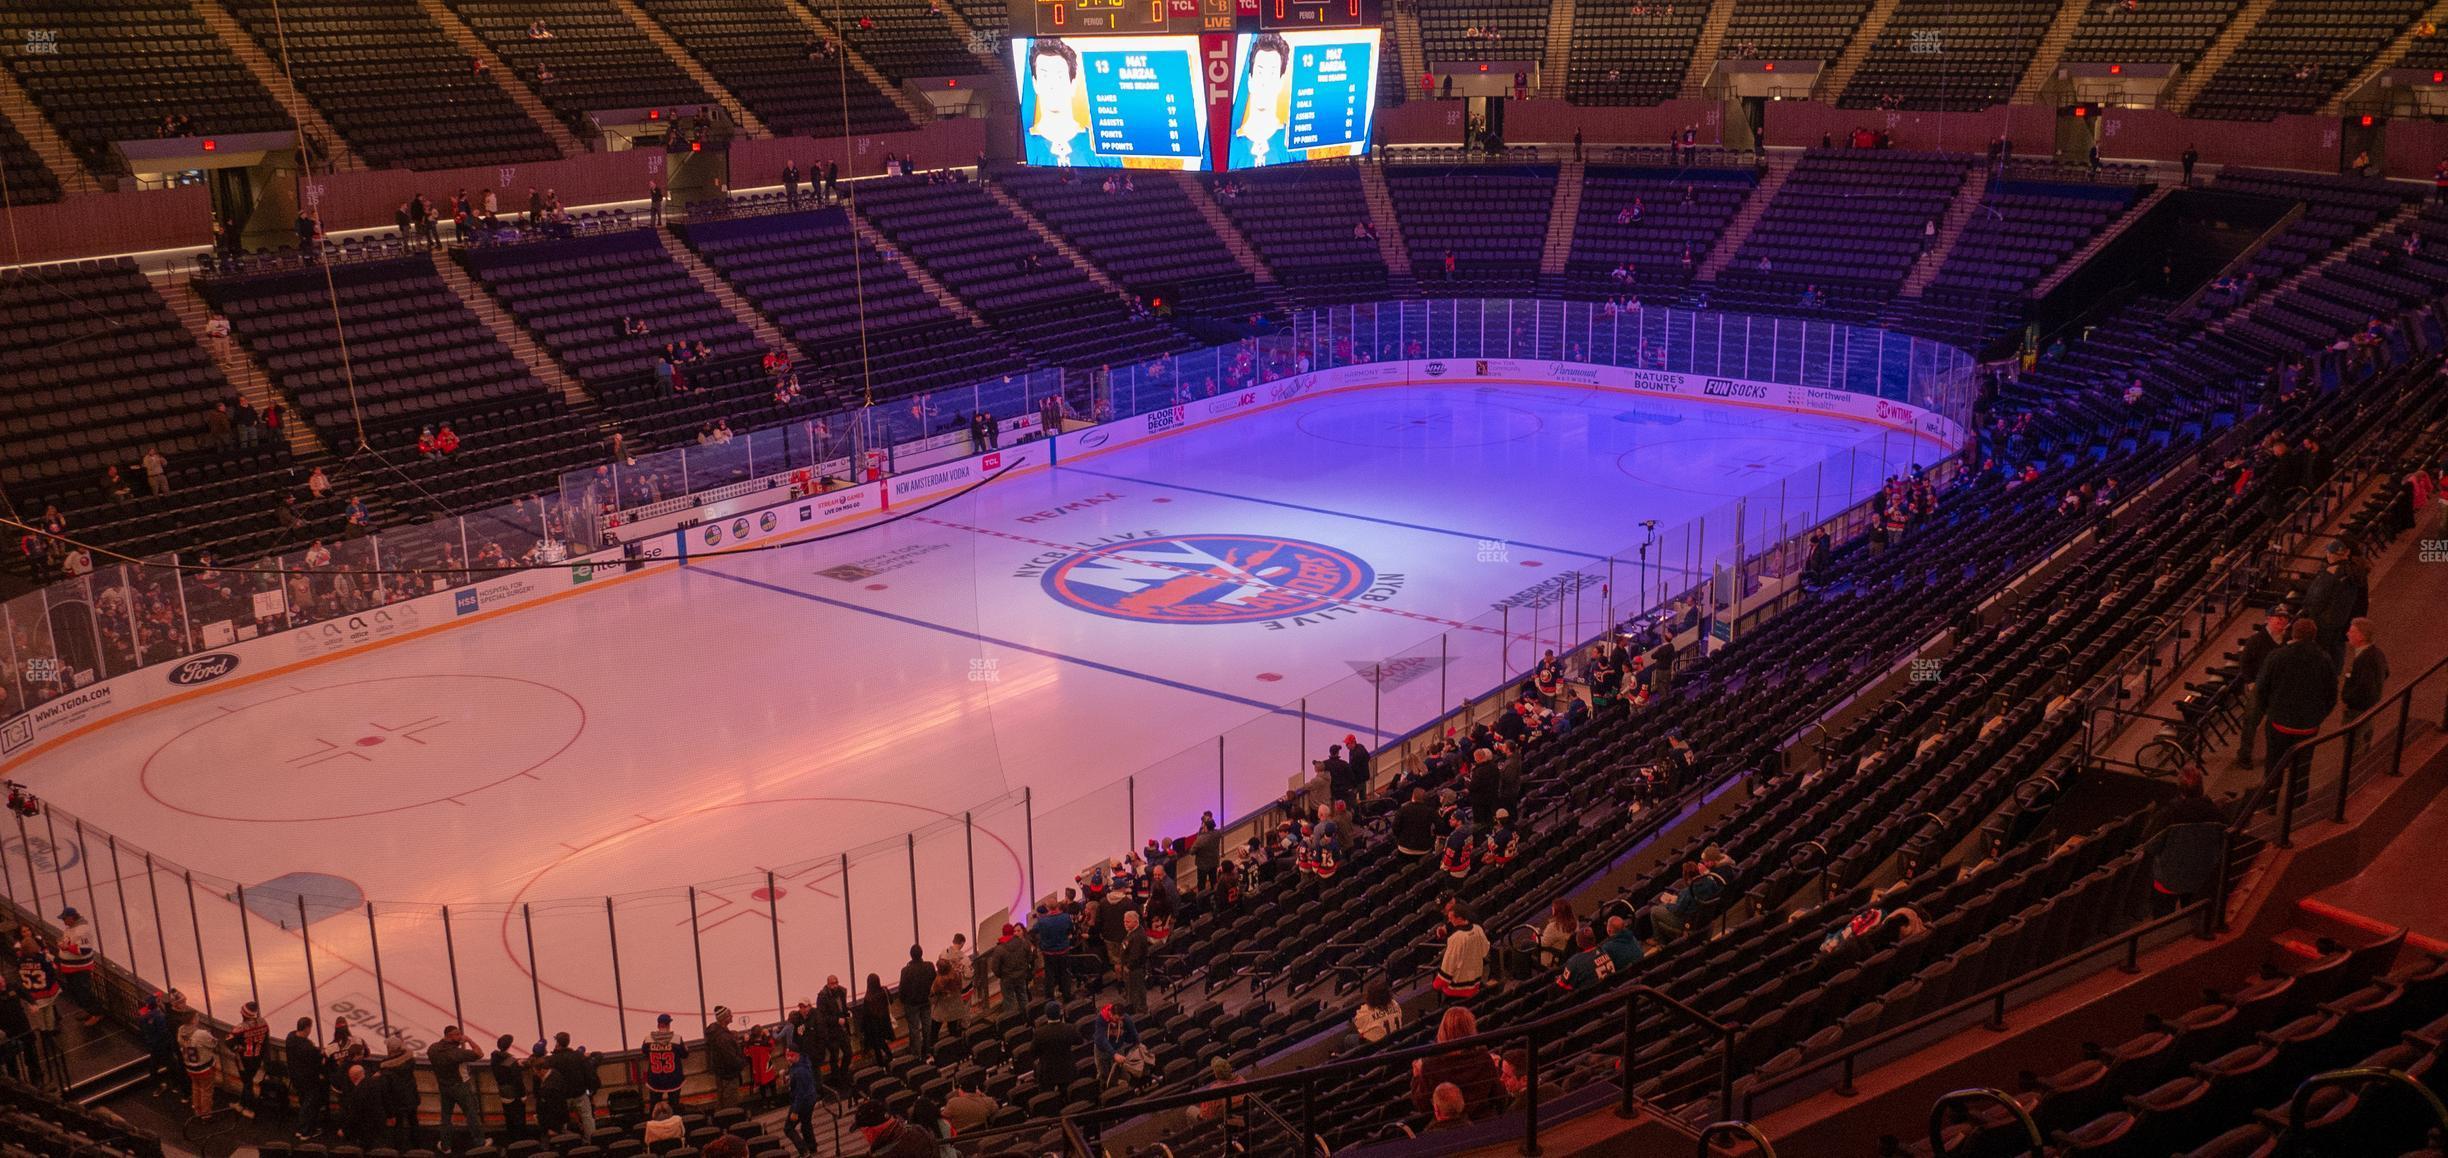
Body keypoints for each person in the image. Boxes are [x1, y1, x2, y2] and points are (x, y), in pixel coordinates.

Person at [2257, 618, 2336, 811]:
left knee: (2274, 766)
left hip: (2279, 723)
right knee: (2301, 769)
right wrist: (2318, 717)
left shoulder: (2277, 656)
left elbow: (2261, 688)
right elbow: (2331, 694)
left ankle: (2269, 806)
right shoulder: (2324, 659)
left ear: (2293, 634)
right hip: (2308, 727)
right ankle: (2297, 809)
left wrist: (2270, 710)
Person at [1409, 1007, 1499, 1117]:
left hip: (1449, 1127)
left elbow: (1422, 1106)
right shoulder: (1483, 1058)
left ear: (1443, 1030)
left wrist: (1417, 1077)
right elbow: (1498, 1096)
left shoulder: (1431, 1066)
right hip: (1482, 1122)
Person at [2233, 608, 2290, 770]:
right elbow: (2244, 663)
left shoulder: (2287, 641)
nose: (2281, 621)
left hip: (2277, 690)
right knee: (2251, 722)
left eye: (2284, 618)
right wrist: (2250, 682)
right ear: (2268, 619)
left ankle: (2274, 756)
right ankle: (2244, 755)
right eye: (2277, 618)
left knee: (2276, 725)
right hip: (2259, 688)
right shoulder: (2256, 640)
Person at [428, 1024, 485, 1149]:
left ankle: (445, 1145)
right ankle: (480, 1143)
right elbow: (480, 1053)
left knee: (446, 1117)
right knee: (471, 1114)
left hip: (444, 1086)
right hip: (460, 1086)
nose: (461, 1036)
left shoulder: (432, 1049)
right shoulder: (456, 1053)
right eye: (458, 1034)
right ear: (450, 1036)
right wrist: (469, 1040)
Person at [1432, 901, 1490, 1005]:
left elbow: (1449, 965)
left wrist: (1437, 983)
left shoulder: (1456, 938)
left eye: (1451, 918)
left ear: (1459, 918)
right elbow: (1485, 951)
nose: (1450, 921)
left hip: (1458, 991)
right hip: (1475, 984)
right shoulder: (1478, 929)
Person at [287, 1018, 329, 1139]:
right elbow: (317, 1062)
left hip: (295, 1076)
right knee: (310, 1104)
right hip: (308, 1079)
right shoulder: (307, 1047)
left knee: (304, 1101)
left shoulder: (290, 1036)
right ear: (306, 1028)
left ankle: (303, 1128)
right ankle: (306, 1131)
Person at [2341, 617, 2388, 722]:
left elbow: (2364, 686)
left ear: (2361, 636)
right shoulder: (2377, 653)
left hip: (2357, 711)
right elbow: (2386, 672)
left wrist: (2348, 698)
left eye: (2352, 631)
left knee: (2354, 737)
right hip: (2369, 709)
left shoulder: (2364, 660)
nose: (2347, 634)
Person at [1091, 1003, 1144, 1089]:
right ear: (1111, 1014)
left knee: (1122, 1073)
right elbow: (1101, 1039)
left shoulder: (1125, 1018)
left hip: (1118, 1048)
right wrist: (1114, 1054)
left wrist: (1138, 1044)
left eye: (1120, 1019)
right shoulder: (1101, 1019)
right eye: (1116, 1019)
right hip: (1102, 1051)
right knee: (1104, 1076)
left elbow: (1133, 1032)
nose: (1118, 1021)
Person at [1346, 974, 1404, 1051]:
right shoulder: (1395, 1004)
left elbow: (1357, 1026)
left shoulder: (1365, 1011)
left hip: (1376, 1047)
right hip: (1395, 1042)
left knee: (1348, 1039)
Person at [899, 945, 938, 1059]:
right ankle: (927, 1050)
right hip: (926, 1001)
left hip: (912, 1004)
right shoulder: (929, 966)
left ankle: (917, 1054)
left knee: (914, 1029)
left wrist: (903, 1000)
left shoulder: (906, 970)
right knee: (927, 1026)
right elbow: (934, 982)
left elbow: (902, 989)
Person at [180, 1010, 220, 1120]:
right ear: (193, 1020)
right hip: (204, 1068)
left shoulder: (181, 1031)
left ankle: (197, 1110)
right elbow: (214, 1043)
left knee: (196, 1087)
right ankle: (206, 1115)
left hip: (190, 1066)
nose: (198, 1018)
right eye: (197, 1017)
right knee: (206, 1090)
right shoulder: (200, 1034)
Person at [1032, 1001, 1079, 1092]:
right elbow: (1079, 1041)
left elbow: (1033, 1052)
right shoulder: (1069, 1028)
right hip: (1067, 1069)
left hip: (1048, 1073)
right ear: (1060, 1013)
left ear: (1046, 1015)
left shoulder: (1039, 1033)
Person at [488, 1032, 526, 1142]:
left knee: (509, 1116)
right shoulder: (511, 1062)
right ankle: (520, 1140)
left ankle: (511, 1138)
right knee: (518, 1117)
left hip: (503, 1091)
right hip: (514, 1093)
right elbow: (517, 1080)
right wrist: (523, 1094)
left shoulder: (495, 1058)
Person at [705, 1004, 745, 1109]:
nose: (732, 1016)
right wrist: (742, 1062)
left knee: (722, 1099)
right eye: (730, 1015)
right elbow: (731, 1059)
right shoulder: (724, 1038)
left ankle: (723, 1120)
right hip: (729, 1075)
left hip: (720, 1073)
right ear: (724, 1018)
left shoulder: (715, 1032)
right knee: (730, 1101)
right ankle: (731, 1121)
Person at [785, 1047, 821, 1153]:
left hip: (802, 1102)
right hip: (810, 1098)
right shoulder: (803, 1063)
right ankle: (812, 1147)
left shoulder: (799, 1071)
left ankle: (803, 1150)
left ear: (797, 1054)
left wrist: (795, 1111)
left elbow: (800, 1093)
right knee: (806, 1123)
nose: (788, 1059)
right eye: (787, 1056)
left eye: (791, 1055)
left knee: (788, 1128)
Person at [858, 974, 896, 1066]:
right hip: (885, 1022)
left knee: (877, 1046)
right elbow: (890, 1001)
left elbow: (865, 1015)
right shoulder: (884, 991)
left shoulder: (868, 998)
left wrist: (862, 1028)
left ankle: (882, 1065)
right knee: (882, 1042)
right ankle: (890, 1058)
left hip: (874, 1027)